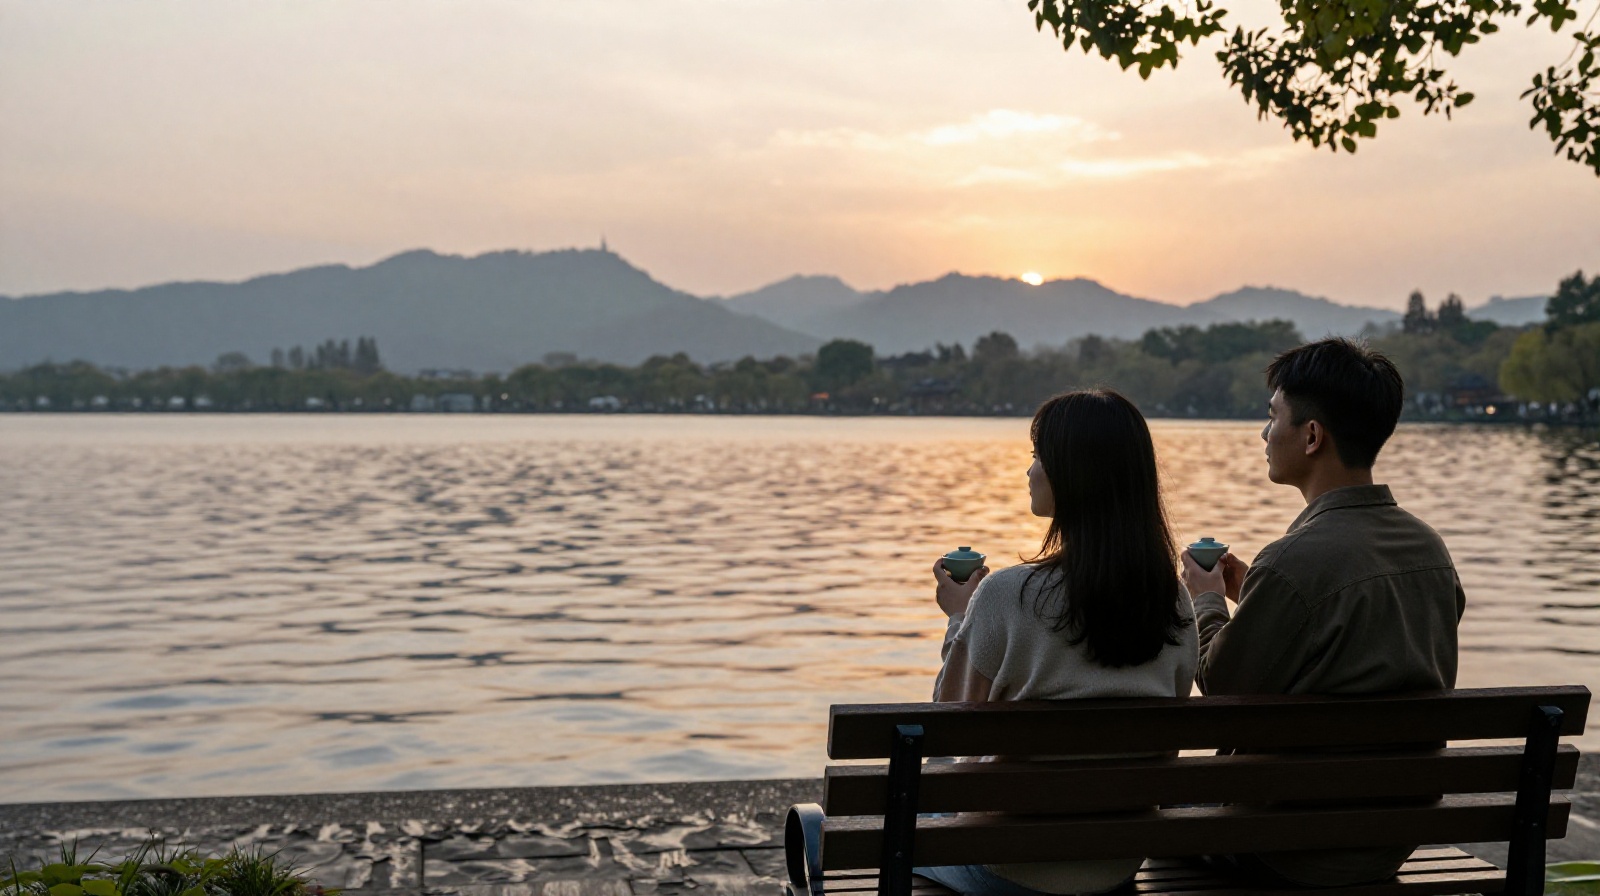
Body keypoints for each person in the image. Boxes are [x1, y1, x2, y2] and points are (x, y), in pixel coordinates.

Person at [1180, 337, 1466, 887]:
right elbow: (1364, 645)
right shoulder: (1429, 550)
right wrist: (1257, 595)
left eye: (1273, 418)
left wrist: (1206, 600)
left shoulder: (1292, 561)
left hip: (1285, 847)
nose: (1265, 435)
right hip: (1386, 843)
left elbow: (1222, 687)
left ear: (1311, 436)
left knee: (1148, 819)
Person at [920, 389, 1199, 896]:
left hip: (1006, 871)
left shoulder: (1004, 594)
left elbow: (948, 730)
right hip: (1114, 866)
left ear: (1073, 473)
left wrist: (959, 616)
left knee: (853, 819)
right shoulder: (1175, 600)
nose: (1029, 471)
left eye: (1036, 456)